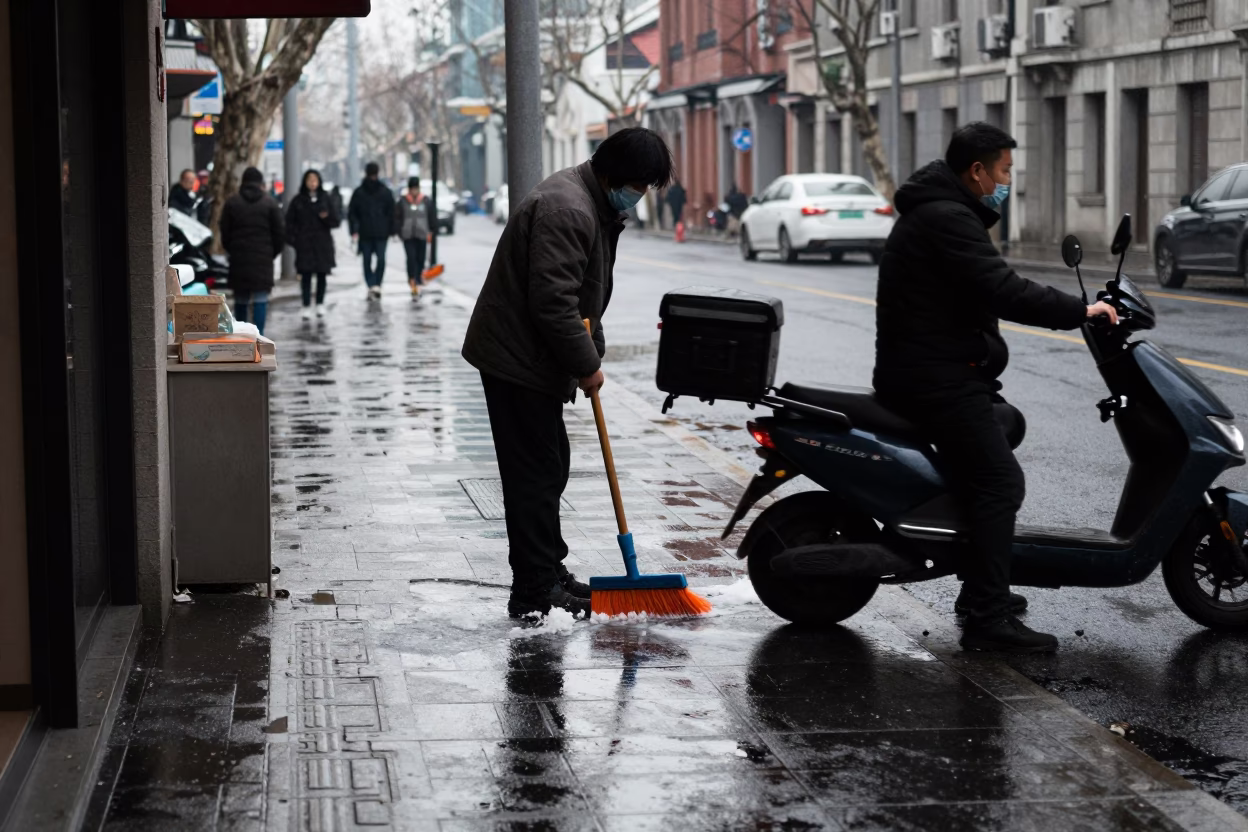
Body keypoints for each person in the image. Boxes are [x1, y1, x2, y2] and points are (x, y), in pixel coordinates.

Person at [873, 122, 1118, 653]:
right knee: (999, 482)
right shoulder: (947, 217)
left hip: (936, 369)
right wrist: (1081, 310)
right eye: (1004, 171)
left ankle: (978, 574)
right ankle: (986, 617)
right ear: (978, 170)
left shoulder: (943, 210)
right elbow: (1003, 288)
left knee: (1007, 424)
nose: (1007, 181)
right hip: (933, 377)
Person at [462, 127, 674, 619]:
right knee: (534, 476)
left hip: (529, 356)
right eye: (640, 186)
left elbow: (583, 300)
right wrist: (587, 366)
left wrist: (589, 351)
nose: (639, 197)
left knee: (549, 466)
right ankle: (534, 590)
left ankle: (548, 570)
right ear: (615, 174)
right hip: (517, 359)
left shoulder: (591, 202)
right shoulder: (569, 209)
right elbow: (554, 304)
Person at [219, 166, 284, 335]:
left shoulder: (232, 203)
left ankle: (242, 336)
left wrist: (232, 249)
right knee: (261, 298)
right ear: (260, 183)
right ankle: (259, 335)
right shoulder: (270, 203)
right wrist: (271, 253)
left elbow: (224, 231)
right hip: (263, 258)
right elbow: (279, 233)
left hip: (239, 258)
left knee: (241, 299)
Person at [285, 169, 340, 320]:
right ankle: (306, 305)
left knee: (322, 274)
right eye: (310, 180)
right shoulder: (298, 200)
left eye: (315, 180)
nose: (312, 183)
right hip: (305, 243)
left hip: (322, 244)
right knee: (306, 275)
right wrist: (294, 240)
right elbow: (289, 222)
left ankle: (320, 303)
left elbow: (336, 220)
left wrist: (326, 217)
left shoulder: (325, 198)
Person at [348, 162, 396, 299]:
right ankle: (372, 285)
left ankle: (376, 285)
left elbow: (391, 212)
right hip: (366, 232)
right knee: (367, 260)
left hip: (380, 232)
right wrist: (354, 230)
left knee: (380, 260)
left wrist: (391, 229)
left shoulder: (383, 192)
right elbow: (353, 213)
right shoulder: (360, 193)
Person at [394, 176, 435, 297]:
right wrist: (399, 232)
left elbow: (431, 216)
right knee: (411, 258)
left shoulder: (426, 201)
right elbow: (397, 217)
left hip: (421, 234)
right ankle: (412, 278)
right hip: (407, 235)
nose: (414, 191)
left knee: (420, 258)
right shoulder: (403, 201)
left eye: (416, 188)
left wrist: (432, 230)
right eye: (412, 188)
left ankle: (418, 278)